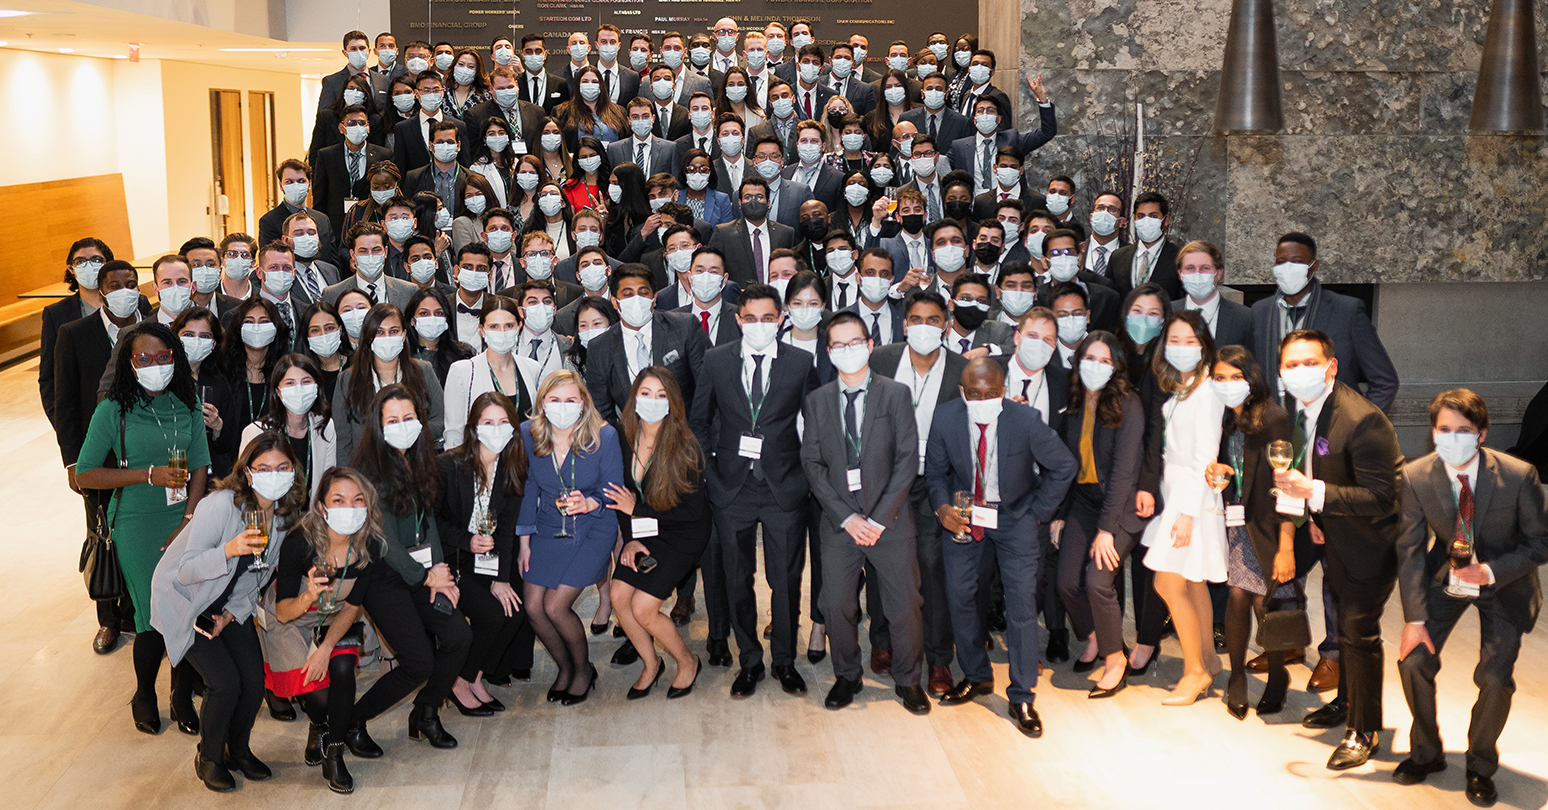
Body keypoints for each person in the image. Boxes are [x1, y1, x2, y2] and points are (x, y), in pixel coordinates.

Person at [1394, 389, 1548, 805]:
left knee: (1495, 678)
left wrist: (1491, 570)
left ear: (1482, 434)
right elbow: (1408, 550)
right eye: (1444, 429)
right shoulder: (1416, 475)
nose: (1452, 437)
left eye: (1463, 430)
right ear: (1433, 433)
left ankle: (1480, 766)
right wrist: (1414, 620)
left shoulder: (1518, 475)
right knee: (1413, 661)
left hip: (1505, 580)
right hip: (1448, 573)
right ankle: (1427, 753)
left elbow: (1541, 544)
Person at [925, 358, 1076, 735]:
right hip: (965, 514)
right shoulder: (945, 418)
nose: (983, 399)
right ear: (962, 393)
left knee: (1021, 605)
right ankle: (976, 675)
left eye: (991, 393)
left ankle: (1022, 695)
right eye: (974, 394)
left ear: (1003, 391)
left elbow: (1063, 466)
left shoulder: (1025, 421)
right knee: (959, 595)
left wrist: (1038, 512)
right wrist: (942, 507)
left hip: (1015, 518)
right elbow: (934, 472)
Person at [1275, 328, 1403, 770]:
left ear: (1331, 366)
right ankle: (1347, 702)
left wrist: (1316, 493)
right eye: (1291, 365)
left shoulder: (1361, 419)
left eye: (1310, 363)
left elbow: (1383, 498)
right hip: (1335, 533)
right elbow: (1316, 465)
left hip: (1371, 544)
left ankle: (1364, 730)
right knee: (1346, 627)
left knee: (1358, 631)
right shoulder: (1303, 407)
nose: (1300, 372)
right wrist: (1315, 515)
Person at [74, 321, 210, 735]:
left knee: (188, 608)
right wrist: (146, 475)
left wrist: (189, 520)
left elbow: (201, 464)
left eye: (163, 357)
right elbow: (85, 474)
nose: (155, 365)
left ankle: (181, 693)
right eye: (144, 359)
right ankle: (145, 692)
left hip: (183, 520)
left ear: (176, 358)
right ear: (130, 365)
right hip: (135, 521)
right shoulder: (112, 409)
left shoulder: (187, 404)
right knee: (153, 614)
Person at [151, 433, 300, 792]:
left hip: (229, 603)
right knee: (225, 683)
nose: (274, 475)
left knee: (252, 681)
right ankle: (210, 757)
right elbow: (186, 571)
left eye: (282, 468)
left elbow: (260, 575)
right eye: (264, 468)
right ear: (248, 473)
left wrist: (231, 615)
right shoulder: (219, 506)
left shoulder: (281, 517)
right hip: (186, 601)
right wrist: (230, 550)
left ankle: (238, 749)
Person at [690, 284, 818, 697]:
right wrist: (711, 473)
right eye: (751, 318)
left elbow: (814, 425)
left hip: (784, 487)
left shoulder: (800, 362)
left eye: (768, 318)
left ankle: (784, 660)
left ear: (780, 319)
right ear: (738, 319)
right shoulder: (716, 360)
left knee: (786, 579)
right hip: (731, 488)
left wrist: (804, 476)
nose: (759, 325)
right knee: (736, 578)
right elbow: (699, 421)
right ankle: (749, 661)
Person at [800, 310, 930, 714]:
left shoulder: (895, 394)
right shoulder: (818, 401)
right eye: (838, 345)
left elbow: (907, 459)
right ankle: (847, 674)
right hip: (841, 525)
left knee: (904, 604)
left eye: (855, 343)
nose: (848, 351)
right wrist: (847, 517)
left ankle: (908, 680)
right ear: (829, 352)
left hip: (888, 521)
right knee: (836, 603)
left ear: (870, 345)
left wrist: (876, 518)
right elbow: (812, 464)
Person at [349, 384, 471, 750]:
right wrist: (426, 576)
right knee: (419, 662)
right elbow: (384, 539)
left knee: (458, 636)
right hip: (384, 576)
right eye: (392, 420)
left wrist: (440, 571)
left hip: (421, 570)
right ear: (378, 424)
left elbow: (427, 521)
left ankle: (426, 711)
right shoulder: (367, 471)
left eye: (409, 418)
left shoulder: (419, 458)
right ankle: (353, 722)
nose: (402, 426)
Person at [869, 290, 967, 695]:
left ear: (944, 325)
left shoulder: (963, 369)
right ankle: (883, 641)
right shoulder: (882, 360)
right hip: (888, 479)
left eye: (933, 319)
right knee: (882, 562)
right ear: (904, 323)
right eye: (916, 319)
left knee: (931, 567)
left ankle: (939, 658)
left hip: (935, 482)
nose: (923, 327)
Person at [262, 466, 384, 794]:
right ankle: (318, 723)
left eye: (358, 500)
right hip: (292, 615)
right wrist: (308, 596)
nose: (350, 508)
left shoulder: (369, 544)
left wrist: (327, 648)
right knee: (315, 693)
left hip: (333, 617)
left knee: (342, 668)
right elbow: (283, 611)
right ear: (321, 506)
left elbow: (352, 606)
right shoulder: (299, 542)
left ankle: (334, 753)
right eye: (339, 500)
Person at [1202, 345, 1303, 718]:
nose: (1228, 385)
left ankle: (1277, 675)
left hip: (1269, 525)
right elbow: (1229, 467)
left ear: (1252, 378)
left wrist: (1287, 545)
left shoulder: (1275, 417)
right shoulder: (1225, 417)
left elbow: (1289, 483)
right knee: (1238, 596)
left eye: (1236, 376)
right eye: (1220, 378)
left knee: (1265, 601)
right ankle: (1238, 676)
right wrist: (1221, 473)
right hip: (1237, 522)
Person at [516, 370, 624, 704]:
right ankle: (563, 667)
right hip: (549, 525)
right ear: (543, 403)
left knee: (556, 605)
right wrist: (524, 541)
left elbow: (614, 488)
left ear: (583, 403)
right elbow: (529, 486)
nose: (562, 407)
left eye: (571, 400)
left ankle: (583, 669)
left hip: (594, 525)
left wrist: (590, 501)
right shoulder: (528, 433)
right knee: (533, 608)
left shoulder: (604, 436)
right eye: (555, 400)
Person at [603, 368, 710, 698]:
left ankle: (687, 661)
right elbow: (619, 497)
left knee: (644, 608)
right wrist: (631, 537)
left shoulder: (685, 446)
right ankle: (651, 664)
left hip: (683, 533)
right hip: (642, 530)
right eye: (646, 393)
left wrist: (639, 512)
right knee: (619, 596)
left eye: (662, 395)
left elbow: (691, 513)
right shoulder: (623, 437)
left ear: (673, 403)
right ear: (634, 398)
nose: (652, 401)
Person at [1136, 312, 1225, 705]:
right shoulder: (1184, 386)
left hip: (1192, 499)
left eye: (1191, 341)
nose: (1182, 348)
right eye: (1175, 340)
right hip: (1178, 495)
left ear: (1204, 344)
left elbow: (1206, 456)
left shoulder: (1207, 390)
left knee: (1166, 582)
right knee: (1192, 582)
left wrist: (1187, 513)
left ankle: (1195, 671)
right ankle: (1208, 658)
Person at [1054, 329, 1145, 697]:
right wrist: (1061, 513)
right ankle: (1094, 635)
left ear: (1116, 367)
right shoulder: (1075, 400)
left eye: (1105, 360)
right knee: (1065, 583)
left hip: (1120, 508)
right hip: (1084, 501)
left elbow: (1124, 472)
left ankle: (1114, 659)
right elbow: (1065, 463)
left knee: (1097, 581)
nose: (1096, 366)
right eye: (1090, 358)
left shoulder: (1128, 404)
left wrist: (1107, 529)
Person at [437, 392, 534, 716]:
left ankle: (474, 675)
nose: (496, 429)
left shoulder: (512, 469)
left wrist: (501, 580)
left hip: (486, 559)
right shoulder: (449, 465)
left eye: (503, 422)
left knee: (513, 610)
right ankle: (460, 682)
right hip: (450, 559)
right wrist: (466, 540)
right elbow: (432, 523)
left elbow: (505, 532)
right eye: (488, 422)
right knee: (492, 615)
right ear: (474, 428)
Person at [583, 264, 708, 425]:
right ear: (615, 302)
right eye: (628, 295)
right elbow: (601, 413)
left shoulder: (685, 328)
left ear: (654, 298)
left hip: (685, 438)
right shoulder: (600, 347)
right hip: (632, 443)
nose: (636, 300)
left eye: (643, 293)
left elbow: (706, 390)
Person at [332, 302, 447, 463]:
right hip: (368, 472)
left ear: (404, 335)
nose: (387, 338)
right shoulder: (347, 379)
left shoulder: (423, 370)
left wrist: (412, 430)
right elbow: (343, 440)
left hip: (416, 464)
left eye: (393, 331)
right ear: (368, 337)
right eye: (379, 332)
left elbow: (442, 418)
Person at [442, 296, 543, 447]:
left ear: (519, 327)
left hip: (524, 461)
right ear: (482, 330)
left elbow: (536, 424)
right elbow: (454, 433)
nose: (502, 332)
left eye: (509, 325)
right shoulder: (462, 371)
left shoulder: (532, 368)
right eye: (494, 326)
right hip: (481, 463)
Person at [238, 353, 338, 500]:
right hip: (270, 516)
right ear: (278, 392)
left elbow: (328, 483)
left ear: (316, 386)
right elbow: (244, 486)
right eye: (290, 383)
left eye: (306, 382)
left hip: (311, 518)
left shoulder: (324, 426)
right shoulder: (256, 432)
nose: (299, 389)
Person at [947, 86, 1055, 197]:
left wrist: (1043, 100)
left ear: (998, 119)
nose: (985, 114)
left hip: (1007, 205)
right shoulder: (959, 147)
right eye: (980, 111)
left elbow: (1047, 133)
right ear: (974, 120)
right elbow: (941, 165)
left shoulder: (1012, 139)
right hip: (974, 207)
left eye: (990, 110)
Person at [173, 307, 241, 477]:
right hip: (173, 468)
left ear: (214, 344)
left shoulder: (218, 382)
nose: (196, 341)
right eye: (188, 334)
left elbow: (228, 444)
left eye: (204, 336)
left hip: (210, 473)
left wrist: (218, 427)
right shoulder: (165, 379)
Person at [313, 104, 394, 237]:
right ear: (341, 128)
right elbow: (319, 199)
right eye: (351, 123)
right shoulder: (326, 156)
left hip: (374, 228)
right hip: (337, 229)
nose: (357, 126)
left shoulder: (383, 155)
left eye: (361, 123)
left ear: (368, 128)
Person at [1172, 240, 1253, 352]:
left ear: (1218, 273)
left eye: (1205, 268)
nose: (1197, 274)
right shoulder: (1167, 313)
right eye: (1190, 268)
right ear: (1180, 274)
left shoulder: (1245, 318)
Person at [1106, 191, 1180, 299]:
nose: (1146, 221)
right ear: (1134, 219)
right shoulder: (1118, 257)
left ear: (1166, 220)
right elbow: (1110, 298)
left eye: (1153, 216)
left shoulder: (1178, 258)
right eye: (1141, 216)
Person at [406, 285, 475, 385]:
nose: (432, 318)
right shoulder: (404, 356)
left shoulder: (463, 354)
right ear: (412, 320)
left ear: (446, 319)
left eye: (438, 313)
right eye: (424, 313)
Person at [299, 300, 352, 399]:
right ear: (306, 335)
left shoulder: (358, 364)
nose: (323, 335)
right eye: (315, 330)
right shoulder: (302, 374)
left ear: (340, 330)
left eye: (329, 328)